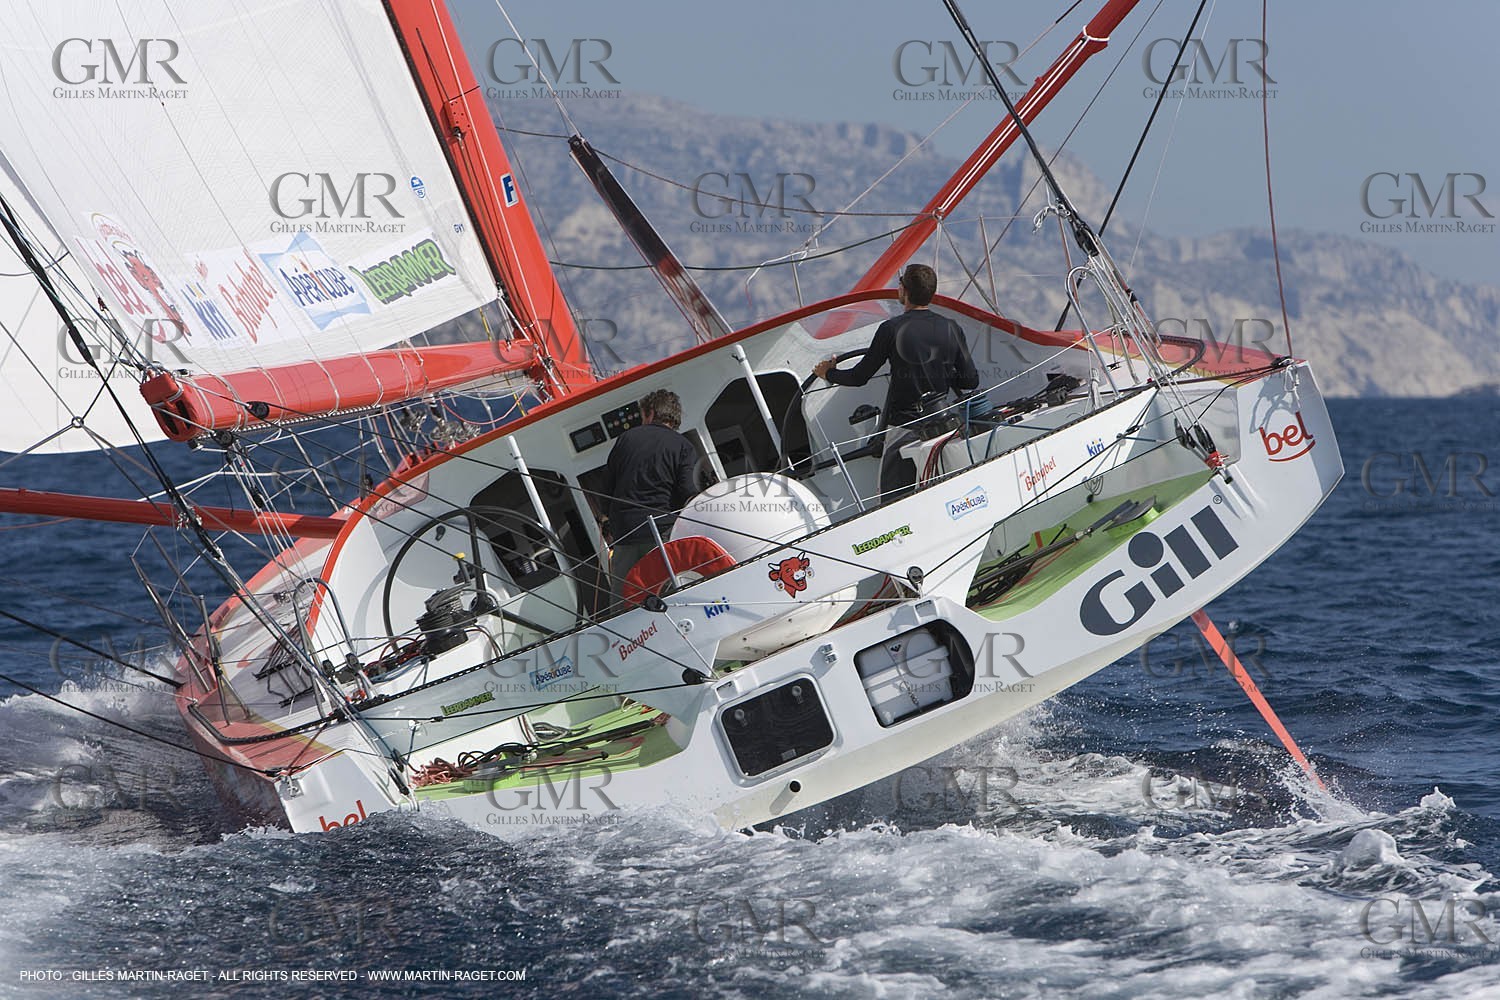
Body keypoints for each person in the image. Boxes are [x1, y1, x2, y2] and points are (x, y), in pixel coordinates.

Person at [813, 263, 978, 499]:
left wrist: (828, 373)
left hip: (905, 430)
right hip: (944, 428)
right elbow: (970, 380)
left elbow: (859, 377)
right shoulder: (951, 327)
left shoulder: (890, 329)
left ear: (904, 291)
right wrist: (940, 370)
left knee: (892, 501)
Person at [600, 388, 701, 604]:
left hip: (625, 531)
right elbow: (687, 491)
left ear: (650, 412)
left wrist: (609, 520)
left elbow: (606, 487)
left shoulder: (626, 439)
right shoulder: (683, 446)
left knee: (623, 598)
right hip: (660, 528)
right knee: (670, 588)